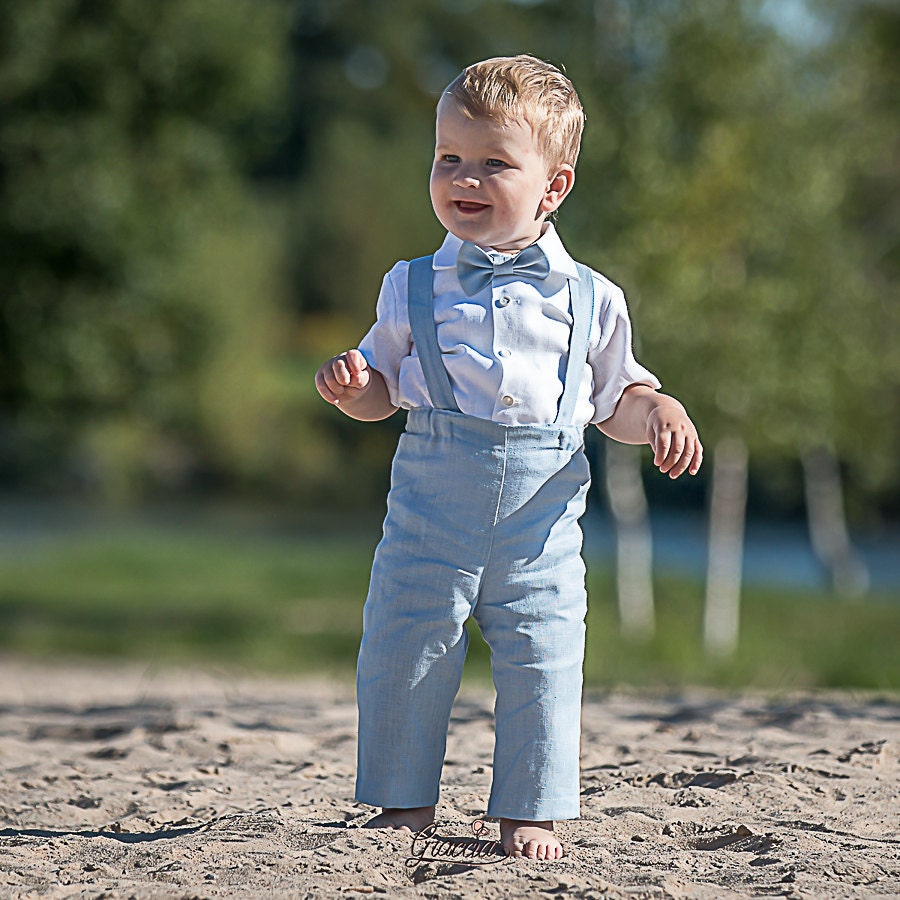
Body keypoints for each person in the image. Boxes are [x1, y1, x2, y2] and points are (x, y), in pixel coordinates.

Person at [314, 55, 702, 861]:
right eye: (449, 158)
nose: (466, 177)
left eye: (495, 163)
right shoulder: (410, 283)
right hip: (429, 501)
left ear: (554, 187)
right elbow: (384, 387)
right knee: (404, 646)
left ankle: (531, 808)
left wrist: (657, 408)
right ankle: (402, 802)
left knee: (545, 656)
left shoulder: (592, 297)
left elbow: (615, 401)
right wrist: (353, 386)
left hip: (542, 516)